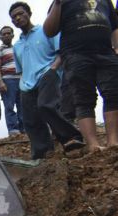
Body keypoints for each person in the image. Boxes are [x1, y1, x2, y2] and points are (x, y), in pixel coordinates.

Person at [9, 2, 85, 159]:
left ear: (29, 13)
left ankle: (71, 137)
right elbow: (21, 69)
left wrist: (53, 70)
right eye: (14, 17)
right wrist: (22, 84)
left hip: (47, 73)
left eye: (20, 13)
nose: (17, 17)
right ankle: (43, 153)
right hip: (27, 84)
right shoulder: (16, 46)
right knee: (30, 120)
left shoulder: (45, 31)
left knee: (45, 105)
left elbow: (60, 52)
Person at [44, 0, 118, 152]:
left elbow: (115, 26)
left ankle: (113, 142)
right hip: (76, 55)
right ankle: (93, 145)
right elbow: (49, 30)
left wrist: (117, 48)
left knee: (113, 94)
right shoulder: (61, 2)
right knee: (83, 98)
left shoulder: (104, 1)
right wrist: (58, 4)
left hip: (106, 53)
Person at [0, 25, 24, 136]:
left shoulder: (17, 47)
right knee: (9, 106)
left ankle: (23, 128)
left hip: (20, 79)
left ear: (12, 35)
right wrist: (1, 83)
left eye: (8, 33)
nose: (6, 35)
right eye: (3, 34)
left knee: (22, 105)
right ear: (0, 37)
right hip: (8, 80)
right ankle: (13, 130)